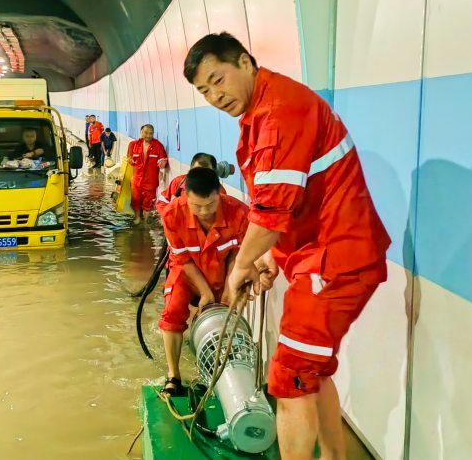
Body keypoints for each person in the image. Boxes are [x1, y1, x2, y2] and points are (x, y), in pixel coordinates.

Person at [184, 32, 391, 460]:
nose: (214, 96)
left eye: (218, 79)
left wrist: (242, 264)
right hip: (322, 256)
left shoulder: (279, 112)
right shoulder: (262, 111)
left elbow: (272, 210)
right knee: (311, 372)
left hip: (335, 260)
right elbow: (286, 204)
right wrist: (270, 256)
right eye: (204, 90)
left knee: (288, 376)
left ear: (245, 61)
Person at [158, 167, 258, 395]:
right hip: (187, 271)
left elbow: (238, 256)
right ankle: (173, 376)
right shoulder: (172, 214)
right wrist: (205, 293)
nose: (204, 212)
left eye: (210, 205)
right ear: (186, 196)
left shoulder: (239, 213)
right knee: (172, 311)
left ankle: (220, 373)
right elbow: (182, 259)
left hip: (224, 271)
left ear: (219, 194)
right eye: (196, 206)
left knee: (227, 316)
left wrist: (230, 288)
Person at [156, 152, 225, 215]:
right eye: (196, 171)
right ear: (190, 170)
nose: (200, 175)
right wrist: (170, 213)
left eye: (206, 171)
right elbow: (162, 201)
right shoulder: (179, 182)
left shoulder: (220, 192)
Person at [127, 124, 167, 225]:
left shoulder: (158, 146)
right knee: (135, 200)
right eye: (146, 133)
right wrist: (130, 160)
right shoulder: (134, 145)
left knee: (148, 203)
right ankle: (137, 218)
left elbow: (163, 160)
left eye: (151, 133)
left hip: (151, 182)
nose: (148, 135)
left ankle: (145, 221)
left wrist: (163, 162)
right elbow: (129, 158)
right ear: (141, 132)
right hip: (137, 180)